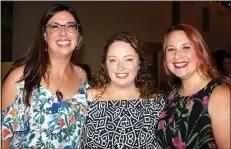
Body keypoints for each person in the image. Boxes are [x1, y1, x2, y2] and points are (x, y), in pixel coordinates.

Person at [1, 4, 89, 148]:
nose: (63, 32)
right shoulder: (19, 78)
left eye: (70, 26)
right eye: (54, 26)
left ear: (78, 34)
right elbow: (2, 138)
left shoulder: (82, 76)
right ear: (44, 35)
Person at [79, 31, 165, 148]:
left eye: (128, 59)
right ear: (105, 63)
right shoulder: (86, 100)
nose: (120, 67)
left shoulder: (157, 102)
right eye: (113, 60)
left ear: (139, 63)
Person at [157, 24, 230, 149]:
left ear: (200, 52)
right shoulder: (173, 93)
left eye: (185, 47)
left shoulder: (220, 95)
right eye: (170, 49)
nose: (177, 55)